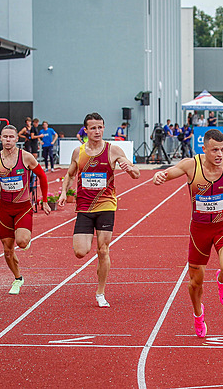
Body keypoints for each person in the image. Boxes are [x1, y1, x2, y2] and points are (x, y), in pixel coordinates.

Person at [153, 129, 223, 337]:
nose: (219, 154)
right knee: (195, 282)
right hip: (199, 230)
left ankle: (221, 279)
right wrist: (159, 176)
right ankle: (198, 315)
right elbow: (170, 172)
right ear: (203, 149)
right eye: (215, 150)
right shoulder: (191, 166)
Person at [58, 112, 140, 307]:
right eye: (92, 128)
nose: (97, 131)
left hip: (106, 205)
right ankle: (98, 269)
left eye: (100, 127)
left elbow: (136, 174)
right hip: (84, 207)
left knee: (103, 250)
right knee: (80, 251)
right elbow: (69, 174)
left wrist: (128, 168)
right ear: (85, 130)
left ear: (104, 128)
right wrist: (63, 192)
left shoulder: (113, 150)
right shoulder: (79, 152)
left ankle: (100, 292)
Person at [0, 125, 51, 294]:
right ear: (0, 139)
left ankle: (25, 237)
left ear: (17, 139)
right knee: (8, 250)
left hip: (23, 207)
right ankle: (17, 278)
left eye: (11, 137)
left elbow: (42, 176)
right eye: (5, 137)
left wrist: (44, 201)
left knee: (22, 242)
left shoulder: (26, 157)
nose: (8, 140)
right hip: (4, 210)